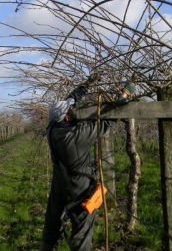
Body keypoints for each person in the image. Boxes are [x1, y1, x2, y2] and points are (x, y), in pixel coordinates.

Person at [40, 74, 111, 251]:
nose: (73, 111)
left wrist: (87, 83)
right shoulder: (76, 136)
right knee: (82, 230)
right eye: (70, 111)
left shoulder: (52, 129)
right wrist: (124, 98)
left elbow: (71, 99)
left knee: (53, 220)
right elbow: (105, 124)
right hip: (80, 189)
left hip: (60, 184)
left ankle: (46, 247)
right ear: (66, 118)